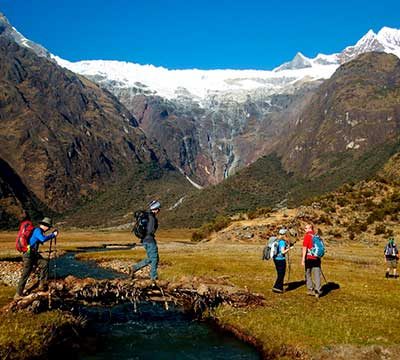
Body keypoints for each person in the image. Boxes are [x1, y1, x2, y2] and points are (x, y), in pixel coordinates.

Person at [15, 217, 58, 299]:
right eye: (48, 227)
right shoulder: (38, 230)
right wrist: (53, 235)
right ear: (45, 226)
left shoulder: (38, 231)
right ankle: (18, 294)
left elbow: (39, 240)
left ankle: (42, 285)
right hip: (28, 254)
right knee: (26, 274)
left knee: (44, 263)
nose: (48, 228)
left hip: (33, 254)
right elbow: (42, 239)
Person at [131, 200, 161, 281]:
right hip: (150, 240)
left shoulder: (147, 216)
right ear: (156, 209)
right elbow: (150, 230)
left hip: (144, 240)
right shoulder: (152, 218)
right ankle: (153, 278)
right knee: (154, 258)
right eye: (158, 208)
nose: (159, 210)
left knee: (151, 258)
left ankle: (134, 268)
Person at [302, 223, 322, 298]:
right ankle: (318, 290)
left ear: (309, 228)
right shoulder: (316, 236)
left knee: (308, 273)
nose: (305, 229)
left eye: (305, 228)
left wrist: (303, 259)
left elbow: (305, 248)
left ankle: (310, 289)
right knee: (317, 274)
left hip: (309, 258)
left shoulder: (307, 236)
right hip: (317, 258)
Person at [272, 228, 293, 293]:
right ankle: (277, 287)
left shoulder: (277, 240)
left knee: (279, 273)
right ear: (284, 234)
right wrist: (289, 248)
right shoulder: (282, 242)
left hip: (276, 259)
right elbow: (283, 252)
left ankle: (279, 287)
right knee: (281, 274)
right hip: (281, 259)